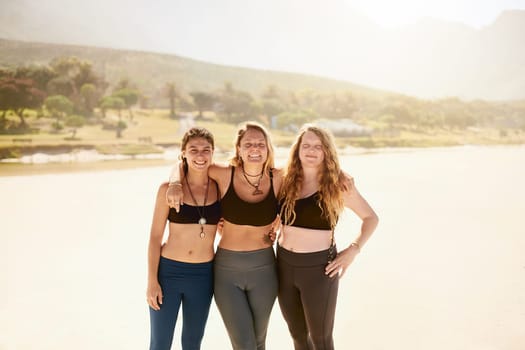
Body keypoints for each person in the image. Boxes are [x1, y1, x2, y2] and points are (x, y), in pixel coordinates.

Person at [167, 121, 283, 350]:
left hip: (265, 269)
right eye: (248, 143)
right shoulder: (222, 173)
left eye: (260, 144)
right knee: (245, 344)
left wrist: (281, 220)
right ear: (238, 148)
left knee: (259, 342)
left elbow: (312, 178)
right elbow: (187, 163)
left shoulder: (279, 178)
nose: (255, 148)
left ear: (268, 148)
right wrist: (174, 182)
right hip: (227, 271)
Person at [277, 124, 379, 350]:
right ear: (298, 150)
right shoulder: (285, 179)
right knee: (298, 336)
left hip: (319, 270)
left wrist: (353, 250)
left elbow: (371, 218)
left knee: (321, 339)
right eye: (306, 145)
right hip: (283, 265)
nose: (311, 151)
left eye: (318, 147)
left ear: (327, 152)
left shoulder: (338, 184)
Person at [147, 127, 221, 350]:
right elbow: (154, 237)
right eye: (194, 150)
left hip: (203, 275)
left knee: (192, 343)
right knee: (160, 343)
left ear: (213, 152)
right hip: (169, 273)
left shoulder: (220, 188)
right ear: (183, 153)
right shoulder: (167, 191)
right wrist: (152, 281)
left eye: (206, 150)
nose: (200, 155)